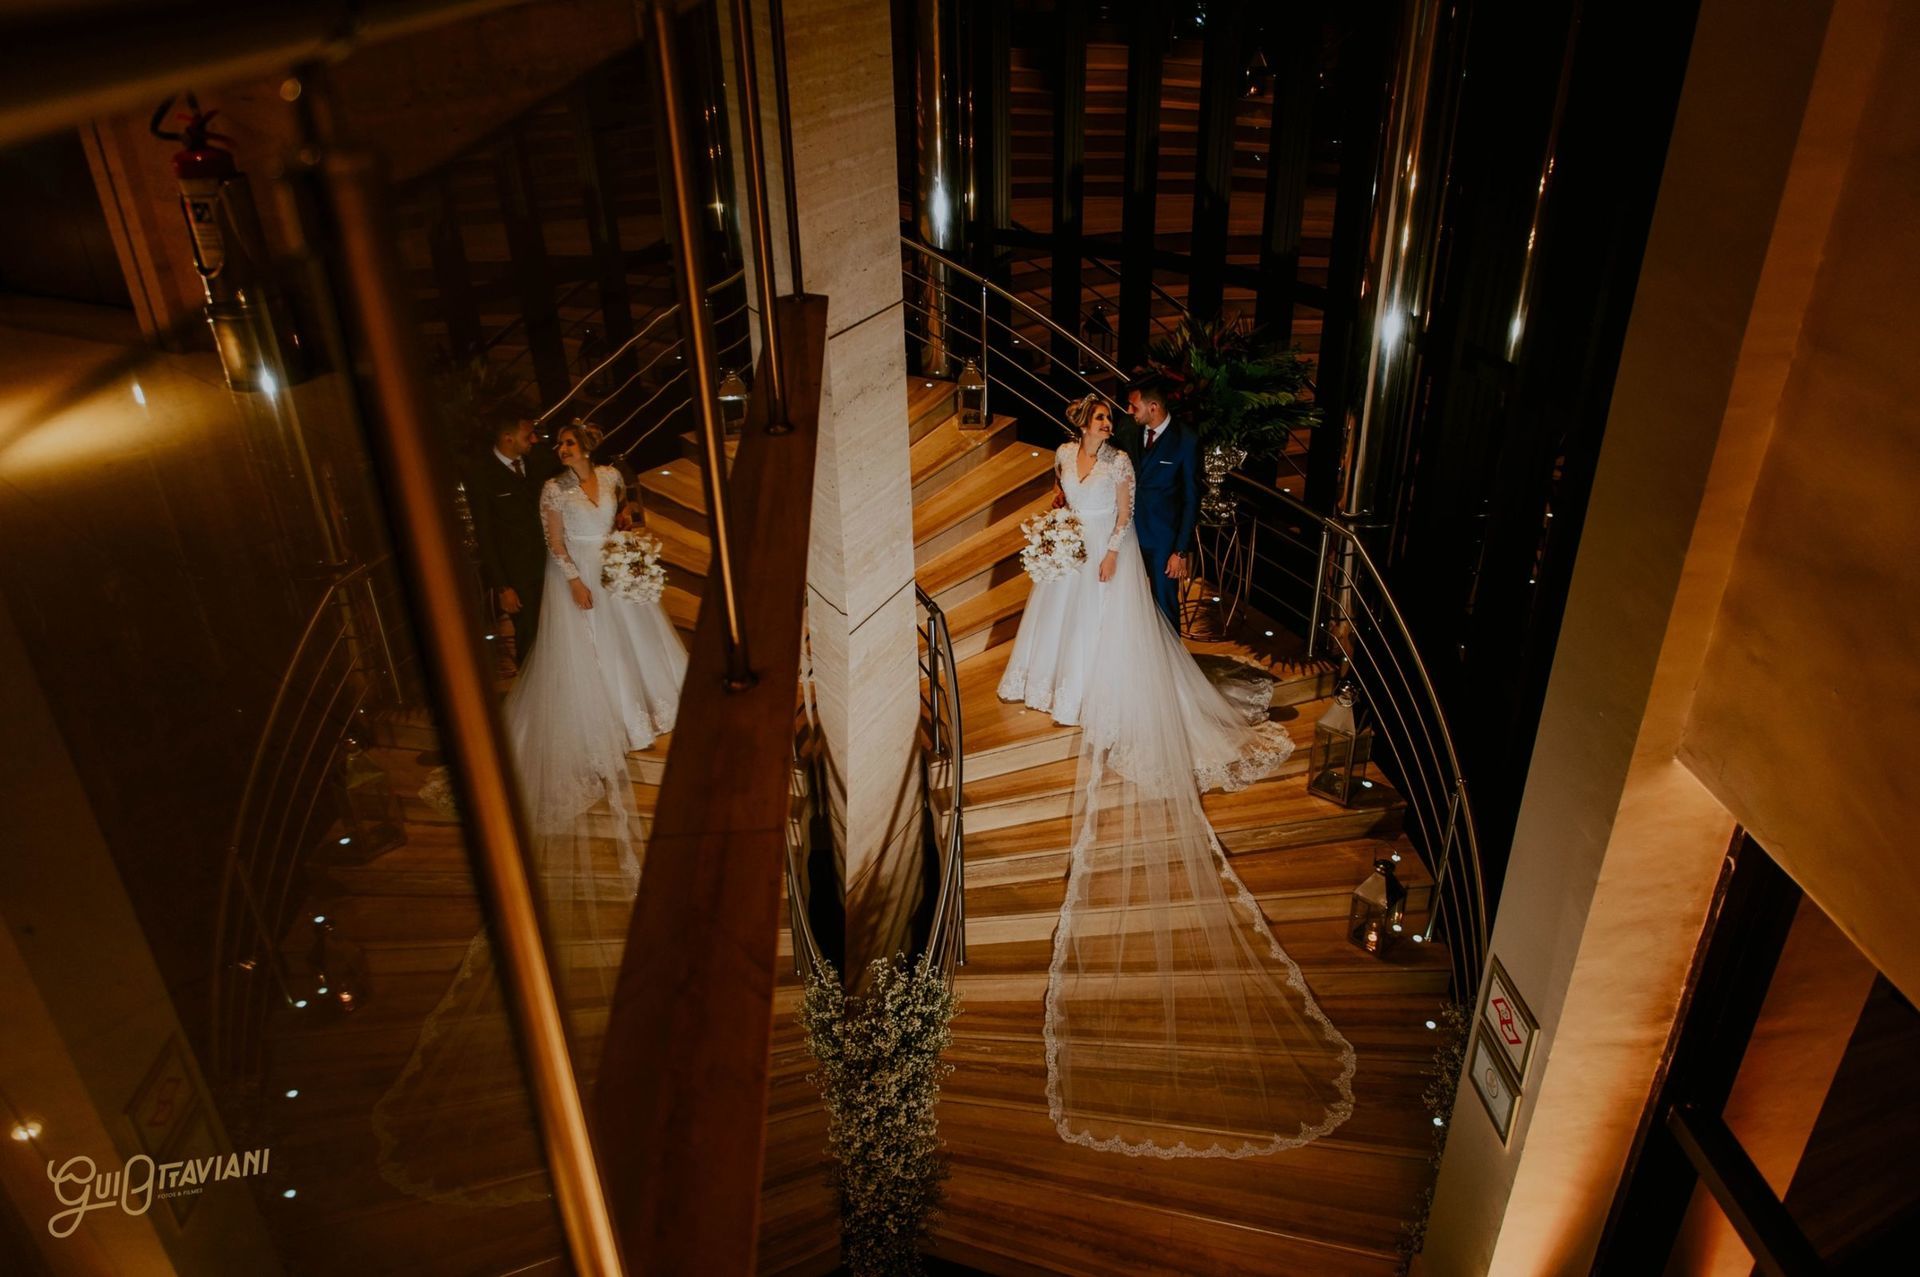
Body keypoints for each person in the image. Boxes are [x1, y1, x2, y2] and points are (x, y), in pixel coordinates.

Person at [998, 392, 1355, 1160]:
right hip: (1071, 553)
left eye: (1107, 420)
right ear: (1079, 426)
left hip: (1110, 558)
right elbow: (1063, 496)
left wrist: (1107, 548)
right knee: (1060, 633)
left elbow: (1123, 513)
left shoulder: (1125, 462)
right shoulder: (1064, 458)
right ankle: (1054, 687)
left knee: (1111, 640)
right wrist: (1061, 536)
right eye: (1097, 421)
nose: (1104, 429)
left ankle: (1103, 696)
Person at [376, 421, 687, 1205]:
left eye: (578, 446)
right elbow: (551, 539)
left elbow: (624, 513)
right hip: (575, 579)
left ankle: (647, 707)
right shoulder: (551, 492)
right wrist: (576, 574)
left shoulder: (613, 475)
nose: (572, 456)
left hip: (611, 571)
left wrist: (625, 547)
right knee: (585, 663)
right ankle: (607, 722)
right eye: (567, 448)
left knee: (641, 648)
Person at [463, 417, 561, 665]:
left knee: (558, 630)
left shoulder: (538, 461)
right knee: (529, 635)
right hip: (518, 573)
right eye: (528, 436)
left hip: (553, 564)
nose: (535, 440)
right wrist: (503, 586)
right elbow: (485, 534)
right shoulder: (481, 473)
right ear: (508, 438)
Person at [1122, 376, 1199, 630]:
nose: (1129, 411)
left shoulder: (1185, 440)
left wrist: (1180, 551)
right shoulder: (1130, 430)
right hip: (1128, 536)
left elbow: (1190, 499)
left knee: (1165, 608)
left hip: (1162, 543)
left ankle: (1169, 666)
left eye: (1134, 406)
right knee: (1128, 605)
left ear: (1153, 407)